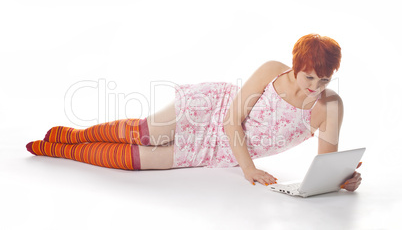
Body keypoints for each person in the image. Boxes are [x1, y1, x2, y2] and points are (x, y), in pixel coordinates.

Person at [26, 33, 362, 192]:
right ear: (295, 66)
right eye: (309, 77)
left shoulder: (329, 107)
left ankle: (63, 151)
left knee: (136, 162)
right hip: (213, 111)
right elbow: (232, 119)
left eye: (324, 80)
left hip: (219, 149)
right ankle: (70, 138)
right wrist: (249, 169)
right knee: (143, 134)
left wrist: (341, 180)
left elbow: (325, 167)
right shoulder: (273, 71)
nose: (314, 87)